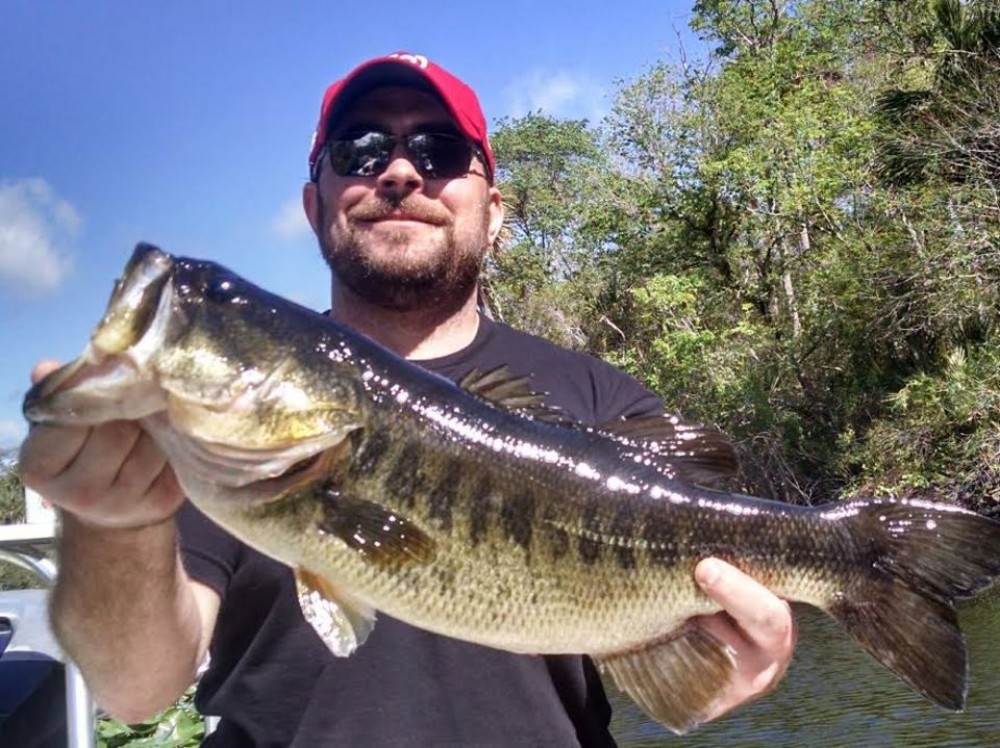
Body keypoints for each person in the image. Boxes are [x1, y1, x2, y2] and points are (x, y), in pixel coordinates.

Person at [19, 52, 796, 746]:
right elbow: (136, 688)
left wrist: (724, 659)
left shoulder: (598, 400)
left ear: (494, 212)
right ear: (314, 204)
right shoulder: (200, 438)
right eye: (360, 149)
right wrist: (115, 526)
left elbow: (691, 655)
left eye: (439, 151)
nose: (398, 172)